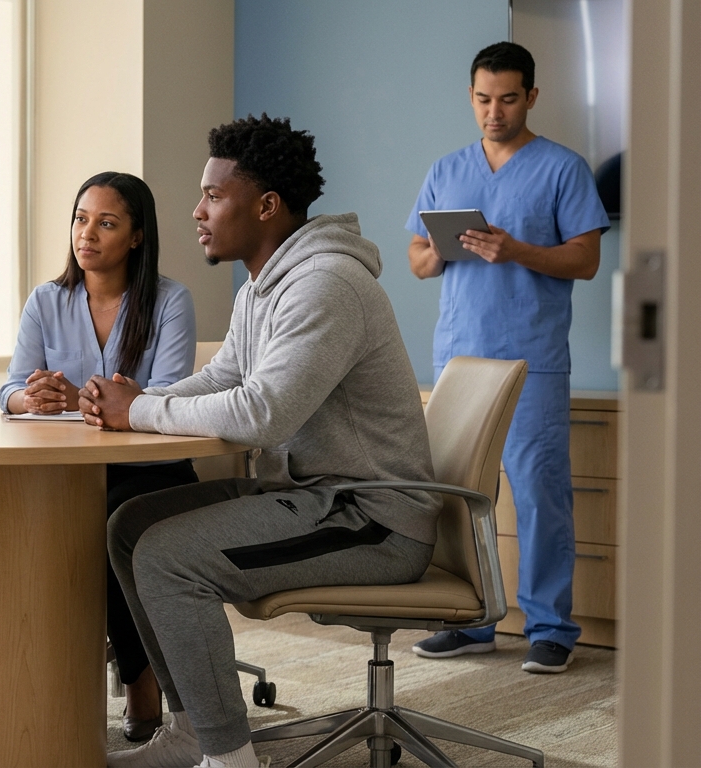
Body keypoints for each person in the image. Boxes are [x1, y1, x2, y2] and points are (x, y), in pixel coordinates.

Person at [84, 115, 439, 768]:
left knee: (166, 556)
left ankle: (231, 758)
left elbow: (262, 412)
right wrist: (134, 403)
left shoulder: (325, 285)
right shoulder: (264, 285)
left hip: (373, 516)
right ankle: (193, 729)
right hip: (315, 497)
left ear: (266, 205)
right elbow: (227, 376)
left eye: (214, 196)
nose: (197, 210)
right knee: (131, 524)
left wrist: (139, 413)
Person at [406, 41, 609, 674]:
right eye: (483, 100)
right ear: (471, 98)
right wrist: (442, 251)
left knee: (541, 495)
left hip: (532, 358)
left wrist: (514, 250)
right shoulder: (447, 169)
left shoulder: (562, 168)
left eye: (508, 99)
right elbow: (416, 260)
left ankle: (551, 627)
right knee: (462, 495)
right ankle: (471, 622)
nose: (494, 112)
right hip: (460, 359)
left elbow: (586, 259)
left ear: (532, 97)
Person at [0, 171, 197, 740]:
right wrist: (30, 398)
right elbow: (10, 387)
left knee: (106, 528)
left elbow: (167, 395)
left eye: (106, 223)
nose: (87, 233)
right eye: (81, 219)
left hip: (153, 472)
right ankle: (40, 683)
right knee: (46, 528)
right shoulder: (47, 299)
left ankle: (140, 679)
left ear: (136, 236)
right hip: (71, 474)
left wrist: (84, 398)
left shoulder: (169, 300)